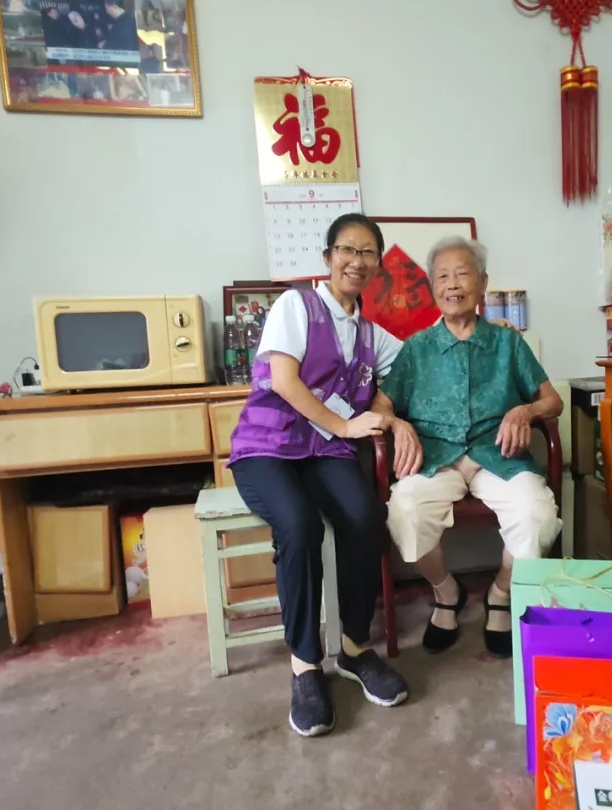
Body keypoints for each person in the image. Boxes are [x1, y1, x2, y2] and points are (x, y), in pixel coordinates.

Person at [227, 213, 411, 738]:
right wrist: (347, 425)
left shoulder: (372, 335)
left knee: (365, 517)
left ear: (378, 265)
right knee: (299, 525)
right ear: (328, 257)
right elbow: (285, 381)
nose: (356, 260)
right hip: (268, 447)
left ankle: (354, 648)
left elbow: (414, 367)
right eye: (347, 250)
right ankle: (305, 664)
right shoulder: (296, 306)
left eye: (368, 252)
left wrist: (390, 411)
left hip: (324, 451)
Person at [375, 235, 564, 659]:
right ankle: (447, 593)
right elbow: (381, 404)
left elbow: (554, 401)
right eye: (442, 276)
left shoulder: (508, 342)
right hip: (436, 458)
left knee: (535, 515)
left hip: (497, 455)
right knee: (405, 511)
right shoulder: (417, 348)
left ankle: (501, 593)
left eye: (462, 274)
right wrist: (398, 424)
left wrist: (525, 411)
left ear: (483, 283)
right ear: (432, 287)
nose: (452, 284)